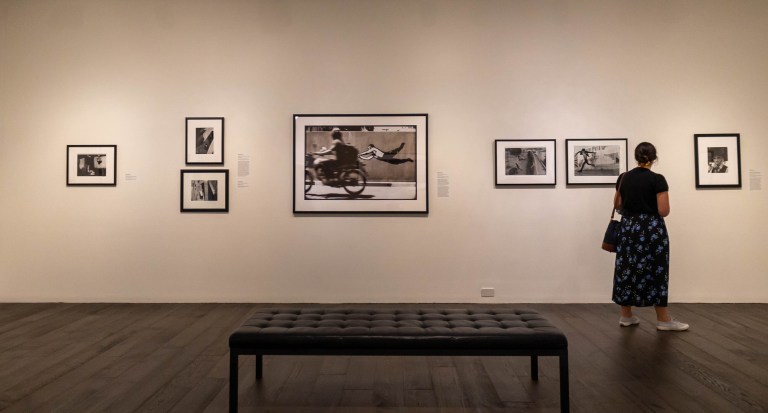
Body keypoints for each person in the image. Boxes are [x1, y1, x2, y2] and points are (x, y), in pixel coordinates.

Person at [612, 142, 689, 331]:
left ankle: (626, 316)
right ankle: (664, 320)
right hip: (651, 230)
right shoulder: (658, 179)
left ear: (636, 157)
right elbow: (663, 211)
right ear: (654, 158)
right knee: (656, 270)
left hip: (629, 229)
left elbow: (617, 204)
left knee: (626, 269)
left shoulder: (623, 178)